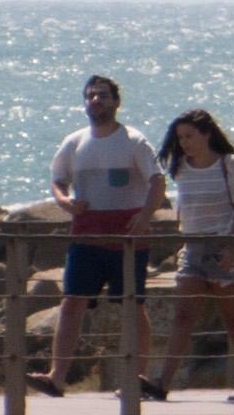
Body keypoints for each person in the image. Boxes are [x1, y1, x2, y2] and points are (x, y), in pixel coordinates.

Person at [46, 74, 162, 393]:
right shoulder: (74, 142)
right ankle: (56, 376)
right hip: (86, 234)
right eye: (91, 95)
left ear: (116, 101)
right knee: (72, 302)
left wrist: (145, 215)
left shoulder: (134, 141)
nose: (96, 100)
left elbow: (157, 180)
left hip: (126, 238)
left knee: (131, 304)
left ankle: (136, 378)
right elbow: (57, 180)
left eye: (103, 95)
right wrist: (65, 202)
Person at [150, 109, 234, 396]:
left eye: (190, 136)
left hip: (223, 246)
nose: (184, 143)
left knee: (232, 319)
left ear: (207, 134)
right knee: (183, 316)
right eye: (180, 137)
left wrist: (232, 248)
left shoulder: (228, 164)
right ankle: (162, 383)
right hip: (192, 246)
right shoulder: (181, 166)